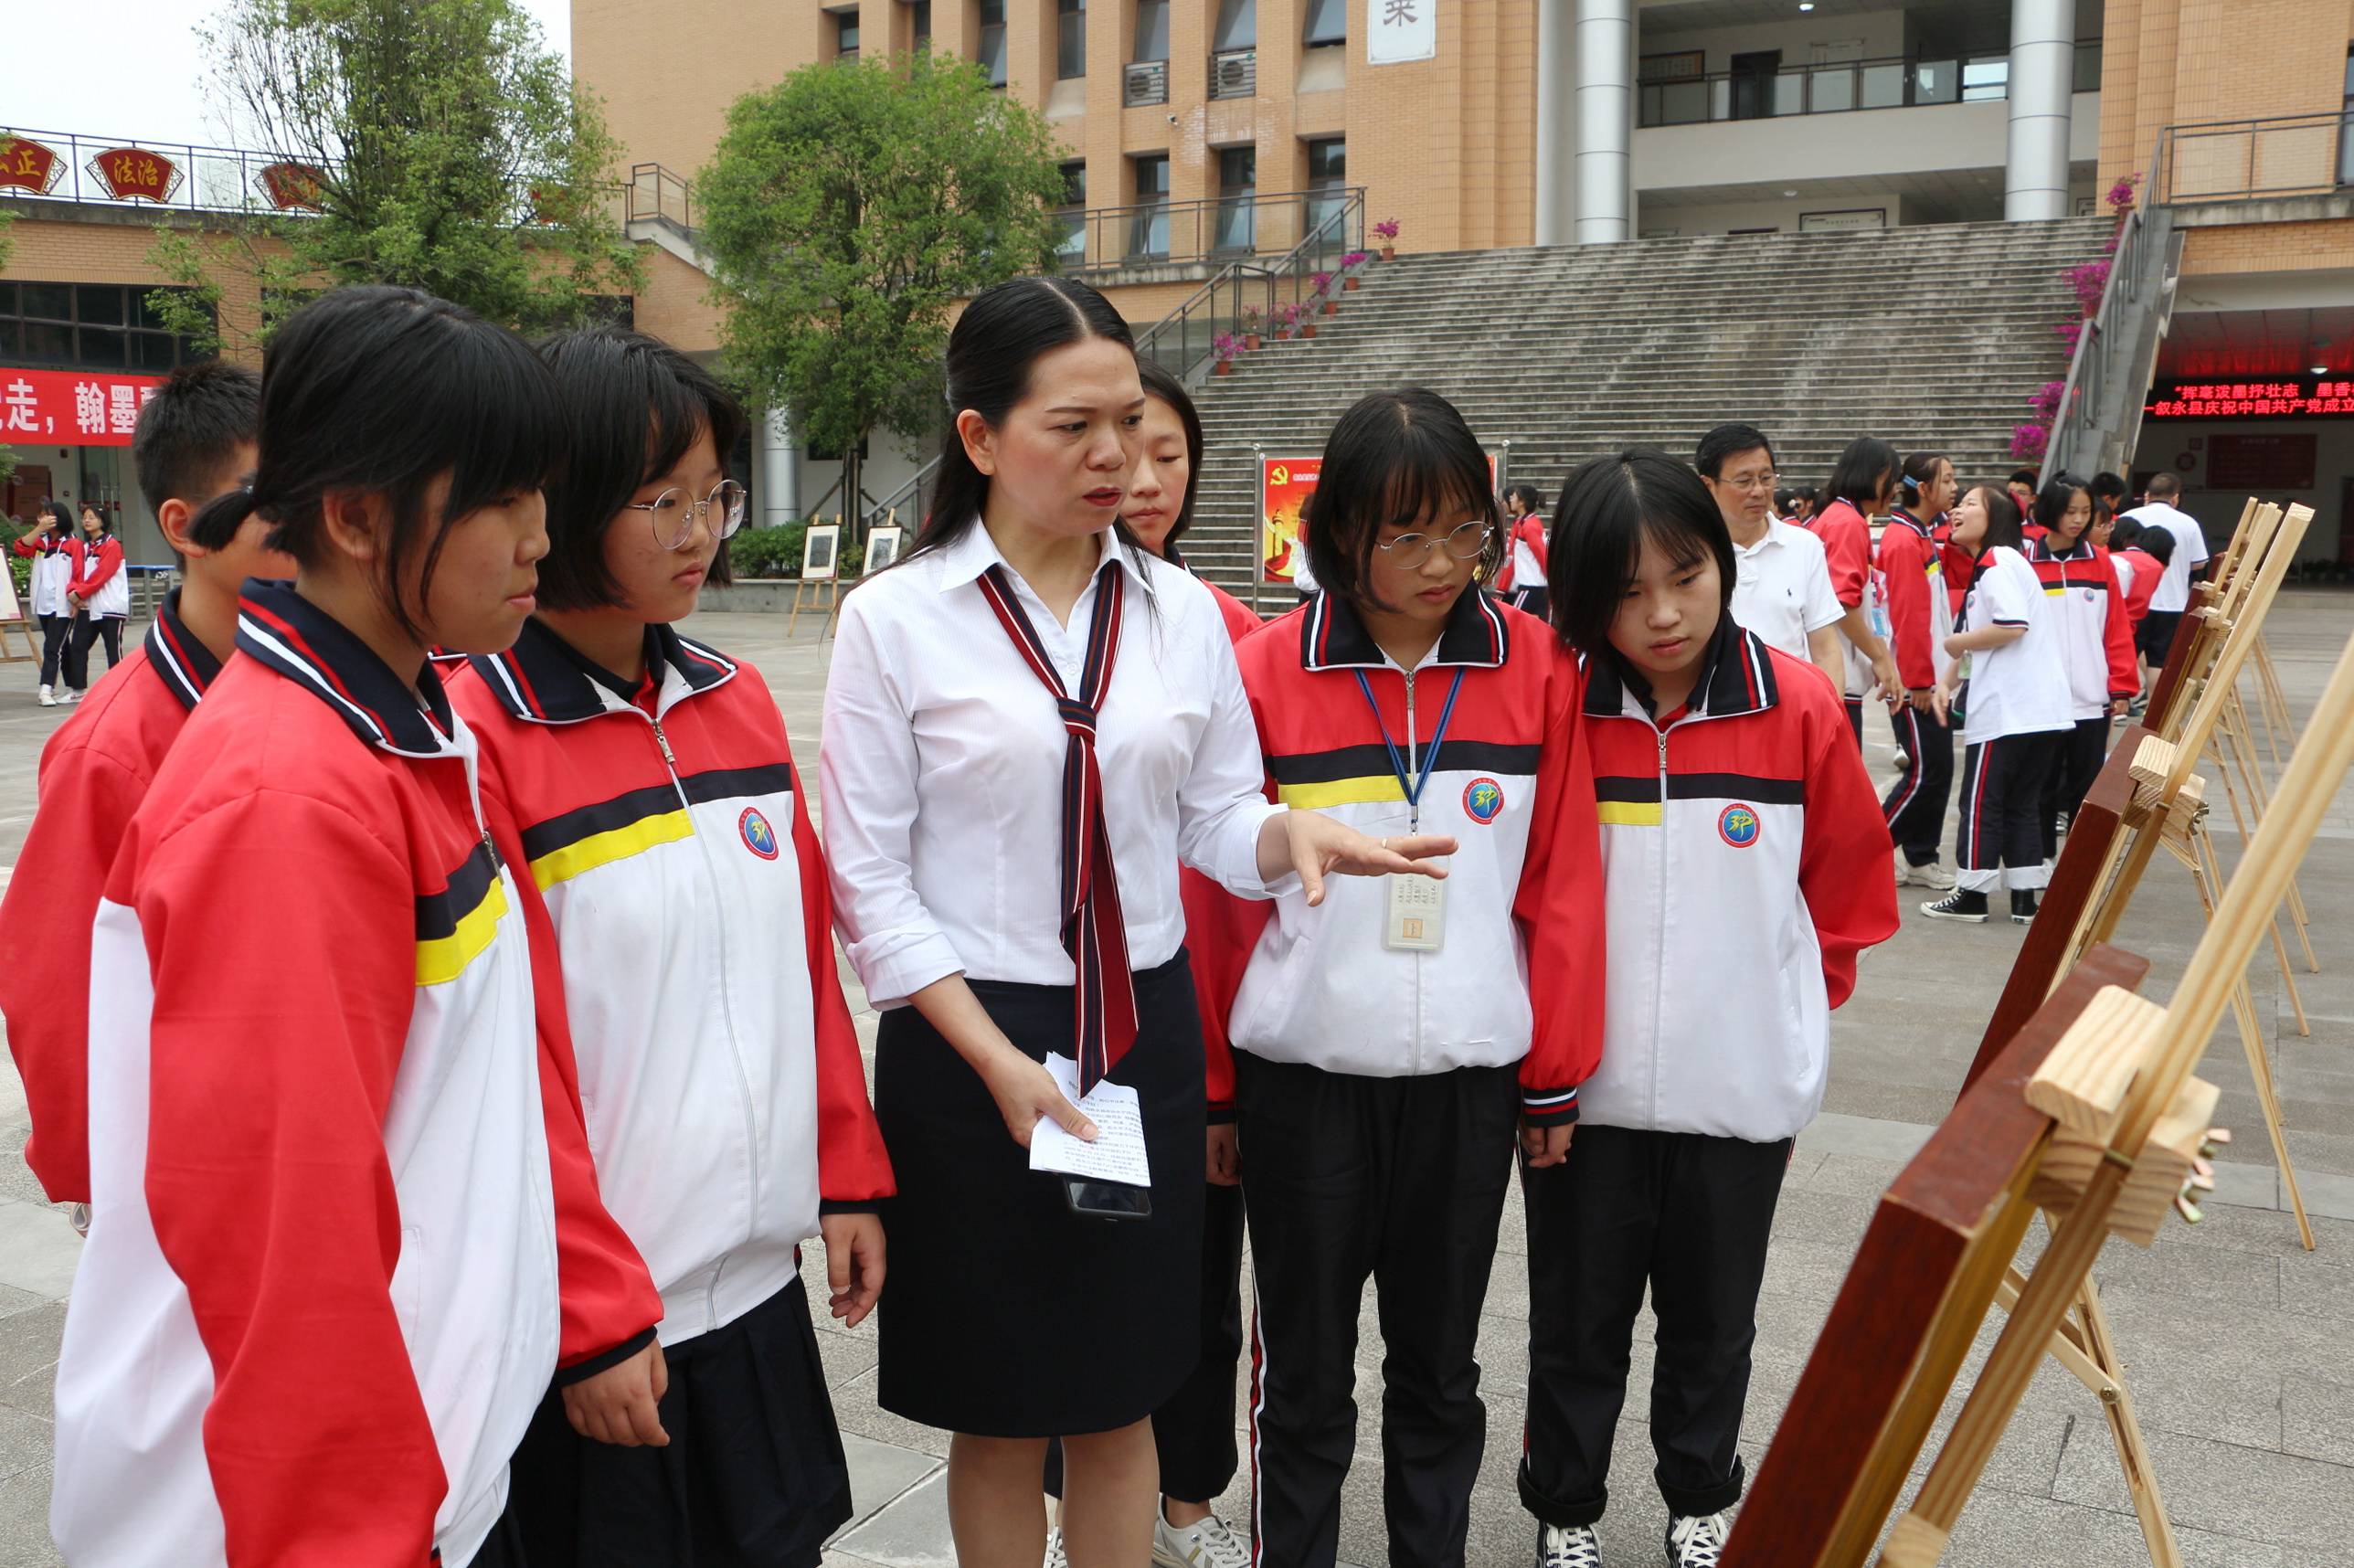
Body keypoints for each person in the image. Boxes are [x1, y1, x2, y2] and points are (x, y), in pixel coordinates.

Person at [818, 275, 1445, 1568]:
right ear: (982, 437)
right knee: (996, 1412)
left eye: (1130, 421)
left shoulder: (1176, 612)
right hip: (967, 1044)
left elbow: (1215, 821)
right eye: (1073, 427)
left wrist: (1290, 836)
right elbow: (869, 883)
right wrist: (993, 1061)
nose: (1116, 456)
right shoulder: (896, 621)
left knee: (1120, 1396)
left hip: (1132, 1045)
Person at [45, 284, 632, 1568]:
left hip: (431, 1452)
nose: (545, 537)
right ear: (360, 519)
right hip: (299, 1512)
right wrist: (352, 1534)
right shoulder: (287, 796)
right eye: (504, 499)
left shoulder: (410, 720)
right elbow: (278, 1230)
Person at [1199, 387, 1603, 1568]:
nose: (1441, 564)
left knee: (1441, 1372)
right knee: (1307, 1379)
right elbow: (1226, 897)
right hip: (1303, 1083)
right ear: (1340, 534)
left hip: (1469, 1086)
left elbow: (1563, 884)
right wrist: (1223, 1093)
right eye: (1406, 535)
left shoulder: (1538, 670)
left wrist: (1553, 1079)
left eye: (1464, 532)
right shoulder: (1267, 671)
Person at [1522, 449, 1896, 1568]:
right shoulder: (1557, 704)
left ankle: (1698, 1495)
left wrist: (1782, 1011)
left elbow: (1847, 891)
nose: (1663, 614)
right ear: (1582, 597)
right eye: (1625, 593)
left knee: (1711, 1324)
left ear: (1721, 563)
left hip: (1736, 1091)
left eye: (1684, 577)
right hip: (1580, 1100)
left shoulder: (1795, 705)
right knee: (1574, 1326)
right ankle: (1566, 1513)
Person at [1030, 356, 1257, 1568]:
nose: (1147, 475)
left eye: (1169, 452)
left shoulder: (1215, 628)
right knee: (1076, 1268)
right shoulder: (1007, 619)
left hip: (1185, 1015)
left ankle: (1186, 1502)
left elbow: (1235, 839)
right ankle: (1081, 1508)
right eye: (1126, 445)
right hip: (1059, 1019)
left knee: (1191, 1286)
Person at [0, 361, 286, 1224]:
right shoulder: (113, 749)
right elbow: (56, 985)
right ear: (187, 525)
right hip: (178, 1159)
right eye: (270, 496)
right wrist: (102, 1172)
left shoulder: (317, 681)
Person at [1923, 485, 2074, 925]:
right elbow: (1989, 636)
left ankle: (1972, 892)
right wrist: (1948, 680)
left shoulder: (1995, 563)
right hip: (2040, 709)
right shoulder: (2005, 563)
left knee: (1981, 801)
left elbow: (2011, 626)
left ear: (1996, 518)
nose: (1958, 509)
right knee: (2022, 803)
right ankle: (2025, 896)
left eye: (1971, 503)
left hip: (2010, 708)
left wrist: (1953, 644)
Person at [2024, 474, 2137, 846]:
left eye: (2085, 512)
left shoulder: (2101, 564)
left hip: (2090, 701)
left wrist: (2121, 685)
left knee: (2085, 785)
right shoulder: (2025, 562)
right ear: (2051, 510)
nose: (2078, 520)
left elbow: (2116, 628)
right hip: (2041, 699)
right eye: (2070, 511)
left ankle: (2076, 866)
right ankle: (2037, 865)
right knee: (2039, 784)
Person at [1694, 423, 1842, 693]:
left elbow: (1826, 648)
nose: (1759, 491)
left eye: (1766, 478)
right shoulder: (1689, 552)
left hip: (1791, 710)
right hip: (1713, 712)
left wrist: (1832, 716)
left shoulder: (1804, 545)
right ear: (1708, 485)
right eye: (1744, 481)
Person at [1877, 451, 1960, 891]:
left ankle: (1921, 857)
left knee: (1939, 769)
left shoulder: (1921, 533)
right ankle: (1865, 853)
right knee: (1925, 772)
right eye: (1946, 480)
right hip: (1915, 683)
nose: (1953, 488)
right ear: (1922, 488)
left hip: (1928, 678)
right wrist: (1919, 681)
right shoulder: (1903, 539)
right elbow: (1908, 617)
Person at [1805, 437, 1903, 743]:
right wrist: (1880, 658)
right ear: (1876, 475)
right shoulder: (1848, 523)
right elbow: (1842, 603)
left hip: (1834, 674)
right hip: (1839, 677)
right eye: (1892, 479)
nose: (1896, 489)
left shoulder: (1837, 516)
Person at [2119, 473, 2211, 670]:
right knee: (2159, 663)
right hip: (2173, 604)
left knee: (2126, 656)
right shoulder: (2188, 523)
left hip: (2134, 602)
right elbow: (2200, 563)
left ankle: (2126, 698)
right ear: (2175, 497)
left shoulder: (2128, 518)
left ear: (2147, 495)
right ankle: (2154, 701)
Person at [13, 498, 78, 705]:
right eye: (43, 515)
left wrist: (77, 599)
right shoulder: (42, 542)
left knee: (52, 647)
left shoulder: (73, 543)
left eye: (49, 515)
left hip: (64, 605)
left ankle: (46, 689)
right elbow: (21, 548)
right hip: (44, 603)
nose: (45, 519)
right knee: (61, 646)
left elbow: (79, 573)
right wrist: (38, 528)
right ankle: (73, 687)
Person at [63, 503, 129, 696]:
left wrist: (79, 593)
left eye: (91, 516)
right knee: (78, 648)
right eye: (84, 517)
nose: (86, 520)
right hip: (88, 607)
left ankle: (119, 689)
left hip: (110, 607)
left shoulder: (112, 545)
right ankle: (78, 690)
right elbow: (77, 573)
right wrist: (73, 592)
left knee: (113, 651)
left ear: (102, 520)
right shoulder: (85, 547)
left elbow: (102, 574)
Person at [2109, 519, 2172, 700]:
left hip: (2111, 626)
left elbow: (2112, 600)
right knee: (2156, 660)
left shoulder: (2116, 560)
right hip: (2131, 624)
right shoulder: (2155, 567)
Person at [1497, 481, 1552, 617]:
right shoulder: (1523, 523)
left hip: (1531, 586)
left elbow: (1541, 554)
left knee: (1512, 621)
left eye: (1513, 496)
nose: (1510, 499)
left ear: (1521, 502)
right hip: (1531, 586)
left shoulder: (1529, 526)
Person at [2007, 468, 2041, 533]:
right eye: (2011, 492)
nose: (2015, 496)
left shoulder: (2041, 531)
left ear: (2033, 498)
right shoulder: (1994, 526)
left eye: (2021, 493)